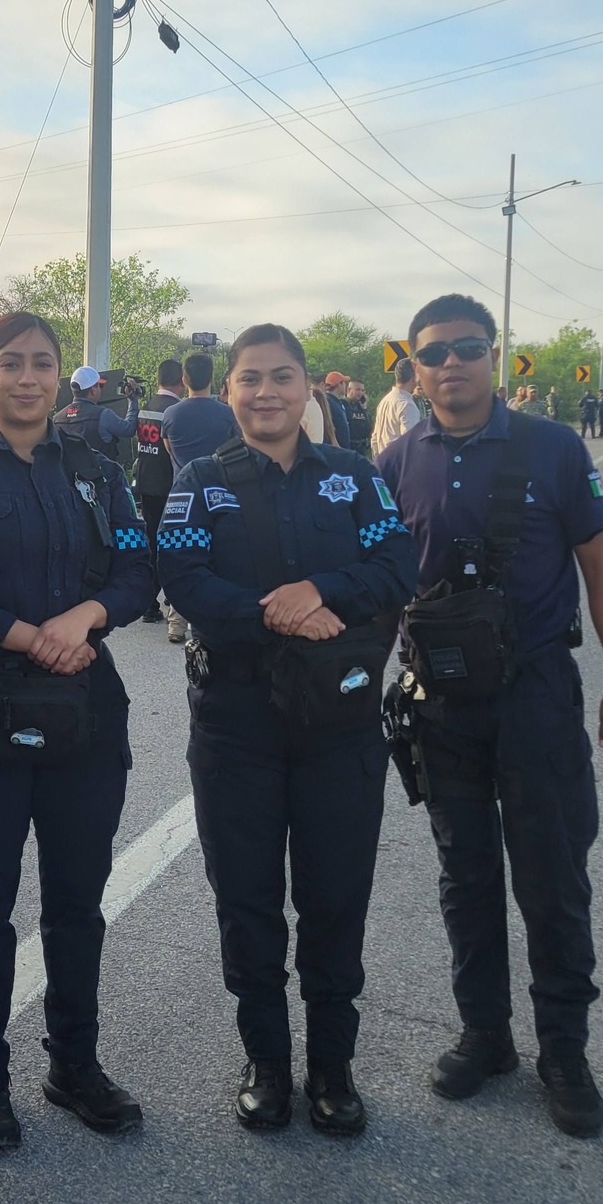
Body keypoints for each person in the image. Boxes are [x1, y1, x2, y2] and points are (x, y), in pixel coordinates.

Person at [374, 293, 603, 1139]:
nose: (451, 363)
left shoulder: (552, 447)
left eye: (467, 347)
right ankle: (485, 1036)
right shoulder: (395, 461)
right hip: (441, 703)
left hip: (534, 691)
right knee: (465, 877)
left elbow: (600, 565)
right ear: (414, 368)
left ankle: (564, 1052)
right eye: (433, 353)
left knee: (552, 877)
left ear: (494, 355)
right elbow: (378, 584)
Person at [158, 324, 419, 1136]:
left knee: (335, 897)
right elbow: (182, 577)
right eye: (250, 379)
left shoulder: (353, 476)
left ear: (308, 389)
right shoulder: (200, 481)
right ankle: (266, 1061)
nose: (266, 392)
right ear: (227, 391)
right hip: (236, 724)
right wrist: (278, 613)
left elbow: (397, 566)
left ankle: (333, 1068)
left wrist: (322, 589)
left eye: (282, 377)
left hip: (339, 724)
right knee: (246, 900)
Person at [0, 311, 155, 1151]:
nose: (28, 378)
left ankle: (75, 1067)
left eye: (43, 364)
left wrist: (84, 618)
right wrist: (30, 636)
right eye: (11, 363)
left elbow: (139, 568)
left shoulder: (100, 472)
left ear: (62, 377)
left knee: (76, 905)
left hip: (84, 715)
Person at [161, 354, 239, 643]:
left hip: (181, 496)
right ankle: (205, 623)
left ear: (184, 379)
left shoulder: (172, 414)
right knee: (214, 559)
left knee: (182, 559)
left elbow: (168, 448)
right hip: (219, 497)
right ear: (212, 378)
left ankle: (176, 623)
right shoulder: (227, 414)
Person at [131, 360, 185, 625]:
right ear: (181, 380)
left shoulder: (146, 407)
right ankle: (170, 599)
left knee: (151, 542)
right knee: (170, 544)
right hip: (168, 484)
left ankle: (149, 604)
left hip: (146, 482)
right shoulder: (175, 411)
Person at [53, 366, 132, 463]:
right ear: (93, 390)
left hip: (67, 473)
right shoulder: (103, 415)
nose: (100, 389)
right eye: (99, 386)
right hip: (102, 472)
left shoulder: (57, 419)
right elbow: (129, 429)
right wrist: (133, 400)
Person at [370, 357, 424, 453]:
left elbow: (375, 438)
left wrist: (378, 458)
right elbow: (410, 443)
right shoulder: (407, 405)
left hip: (383, 457)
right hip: (399, 459)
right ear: (413, 379)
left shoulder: (384, 401)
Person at [343, 380, 374, 452]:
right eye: (357, 390)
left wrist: (364, 408)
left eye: (362, 390)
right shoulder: (343, 405)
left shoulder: (361, 407)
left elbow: (369, 426)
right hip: (348, 447)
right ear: (349, 390)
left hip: (362, 447)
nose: (360, 393)